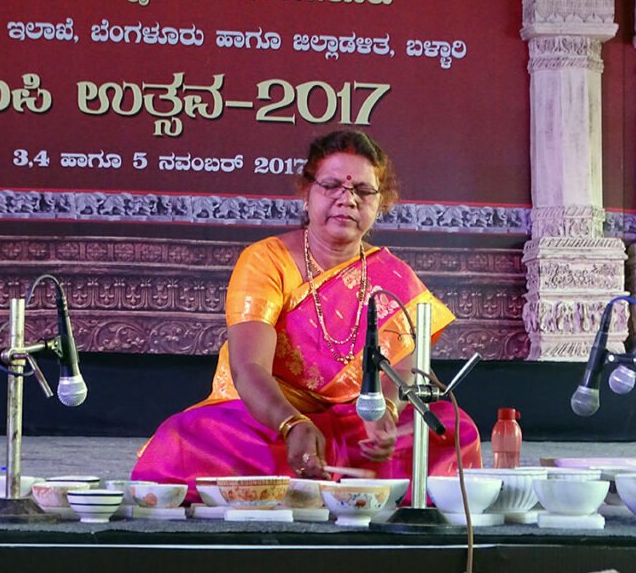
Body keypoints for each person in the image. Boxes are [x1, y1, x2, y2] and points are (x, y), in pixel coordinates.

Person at [131, 130, 481, 502]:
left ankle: (304, 483)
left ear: (381, 203)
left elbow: (403, 371)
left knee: (454, 429)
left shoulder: (394, 276)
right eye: (331, 185)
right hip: (265, 419)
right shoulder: (266, 260)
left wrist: (386, 415)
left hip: (350, 426)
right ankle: (349, 485)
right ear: (306, 193)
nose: (346, 199)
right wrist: (291, 422)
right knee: (189, 436)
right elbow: (248, 369)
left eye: (363, 191)